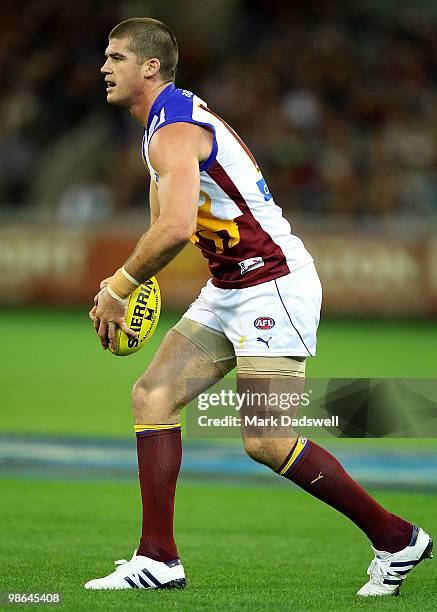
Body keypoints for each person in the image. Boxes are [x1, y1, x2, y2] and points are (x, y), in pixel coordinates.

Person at [86, 17, 432, 596]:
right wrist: (136, 289)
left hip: (273, 283)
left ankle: (397, 538)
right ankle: (158, 558)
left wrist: (119, 286)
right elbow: (167, 226)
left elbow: (173, 229)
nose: (103, 67)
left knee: (266, 440)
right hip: (230, 287)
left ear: (151, 67)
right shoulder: (160, 128)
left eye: (115, 57)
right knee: (153, 394)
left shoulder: (172, 130)